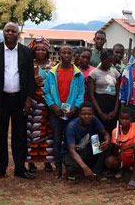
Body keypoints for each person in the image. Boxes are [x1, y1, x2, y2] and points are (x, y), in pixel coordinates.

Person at [0, 22, 35, 180]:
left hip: (20, 100)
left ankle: (20, 168)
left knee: (20, 135)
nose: (10, 33)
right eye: (7, 30)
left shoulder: (27, 52)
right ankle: (0, 168)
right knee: (0, 135)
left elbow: (29, 78)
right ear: (3, 32)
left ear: (18, 34)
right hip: (0, 100)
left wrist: (28, 98)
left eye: (13, 31)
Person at [44, 45, 85, 178]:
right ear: (59, 55)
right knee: (56, 140)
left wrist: (75, 108)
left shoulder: (78, 74)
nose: (66, 55)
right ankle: (58, 168)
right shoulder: (52, 73)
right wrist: (54, 107)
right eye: (63, 53)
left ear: (72, 55)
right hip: (56, 113)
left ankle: (69, 167)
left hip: (71, 113)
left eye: (69, 53)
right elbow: (46, 92)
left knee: (70, 141)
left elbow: (81, 94)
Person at [62, 102, 111, 181]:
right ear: (79, 114)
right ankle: (74, 172)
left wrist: (108, 141)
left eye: (89, 114)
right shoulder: (71, 127)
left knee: (105, 144)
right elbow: (72, 151)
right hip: (72, 154)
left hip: (86, 151)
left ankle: (96, 172)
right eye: (83, 114)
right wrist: (85, 168)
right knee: (71, 164)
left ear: (93, 114)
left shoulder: (94, 119)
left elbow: (106, 134)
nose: (87, 116)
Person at [26, 36, 54, 173]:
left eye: (44, 50)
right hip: (33, 104)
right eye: (38, 49)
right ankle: (31, 162)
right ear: (34, 51)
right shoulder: (28, 66)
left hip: (48, 105)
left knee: (48, 134)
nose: (41, 52)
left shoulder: (53, 66)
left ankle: (47, 162)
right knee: (32, 133)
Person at [105, 107, 135, 190]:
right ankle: (122, 169)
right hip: (122, 156)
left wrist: (125, 148)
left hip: (134, 156)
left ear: (131, 119)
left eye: (127, 119)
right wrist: (117, 146)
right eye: (122, 119)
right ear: (119, 119)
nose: (124, 121)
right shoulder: (115, 131)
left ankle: (134, 176)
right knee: (109, 161)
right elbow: (115, 151)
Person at [88, 49, 120, 135]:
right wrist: (100, 113)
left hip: (112, 105)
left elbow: (118, 93)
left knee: (112, 132)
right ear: (102, 59)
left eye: (112, 61)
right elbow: (91, 95)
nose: (110, 64)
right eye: (108, 61)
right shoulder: (93, 73)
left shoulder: (115, 72)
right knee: (98, 131)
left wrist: (115, 110)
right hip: (99, 104)